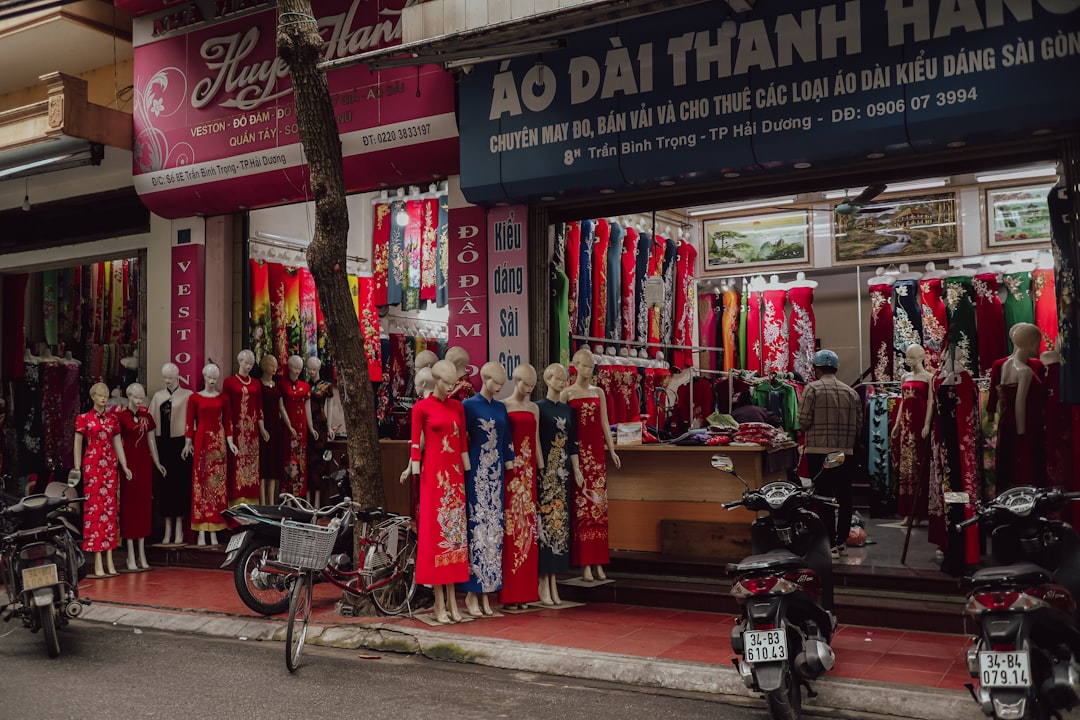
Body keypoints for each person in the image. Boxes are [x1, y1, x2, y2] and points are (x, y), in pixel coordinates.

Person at [410, 359, 470, 624]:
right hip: (433, 477)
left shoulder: (458, 407)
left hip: (455, 477)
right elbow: (415, 444)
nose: (450, 388)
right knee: (437, 537)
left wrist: (465, 468)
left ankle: (452, 600)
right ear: (436, 381)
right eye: (447, 383)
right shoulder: (421, 408)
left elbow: (463, 441)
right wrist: (413, 471)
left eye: (453, 383)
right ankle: (438, 602)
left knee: (455, 538)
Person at [561, 347, 621, 582]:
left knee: (599, 509)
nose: (588, 370)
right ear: (575, 365)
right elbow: (565, 427)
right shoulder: (567, 394)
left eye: (591, 366)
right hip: (578, 455)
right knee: (583, 509)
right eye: (585, 365)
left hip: (596, 455)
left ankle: (598, 562)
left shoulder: (598, 392)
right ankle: (585, 564)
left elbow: (605, 422)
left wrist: (612, 449)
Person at [797, 349, 862, 560]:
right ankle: (842, 541)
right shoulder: (851, 392)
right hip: (845, 452)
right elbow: (859, 426)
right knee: (845, 496)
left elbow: (803, 422)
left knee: (823, 496)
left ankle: (829, 544)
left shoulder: (812, 389)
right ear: (836, 368)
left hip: (819, 451)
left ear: (816, 369)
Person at [462, 361, 515, 617]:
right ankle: (473, 593)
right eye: (497, 382)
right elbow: (462, 438)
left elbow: (507, 439)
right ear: (485, 379)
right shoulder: (469, 406)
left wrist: (509, 460)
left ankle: (487, 593)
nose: (500, 387)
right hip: (476, 475)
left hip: (497, 477)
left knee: (494, 530)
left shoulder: (502, 407)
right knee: (478, 530)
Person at [73, 381, 132, 578]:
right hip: (92, 467)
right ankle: (97, 560)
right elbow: (78, 444)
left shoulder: (112, 420)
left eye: (105, 394)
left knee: (109, 511)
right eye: (99, 395)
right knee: (94, 511)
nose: (103, 397)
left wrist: (124, 465)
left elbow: (118, 444)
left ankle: (109, 558)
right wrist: (77, 468)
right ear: (92, 397)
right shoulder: (83, 419)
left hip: (109, 467)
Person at [536, 363, 583, 606]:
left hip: (562, 475)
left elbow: (572, 442)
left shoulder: (567, 411)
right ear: (548, 379)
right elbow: (535, 442)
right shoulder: (538, 409)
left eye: (565, 378)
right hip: (546, 475)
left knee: (559, 527)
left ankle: (554, 580)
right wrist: (541, 469)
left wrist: (576, 470)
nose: (562, 382)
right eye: (558, 378)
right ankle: (544, 580)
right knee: (546, 523)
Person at [500, 363, 542, 609]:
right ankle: (511, 594)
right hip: (511, 474)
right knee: (511, 530)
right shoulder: (504, 407)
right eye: (526, 384)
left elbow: (535, 441)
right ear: (516, 380)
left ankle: (525, 593)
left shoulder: (533, 408)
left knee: (529, 531)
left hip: (528, 475)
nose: (528, 389)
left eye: (533, 385)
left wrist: (541, 467)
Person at [182, 363, 238, 547]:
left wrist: (230, 442)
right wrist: (187, 442)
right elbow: (190, 421)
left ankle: (214, 529)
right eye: (209, 377)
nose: (212, 381)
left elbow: (229, 421)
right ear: (204, 376)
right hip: (201, 442)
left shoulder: (223, 398)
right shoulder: (194, 398)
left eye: (215, 377)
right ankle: (200, 530)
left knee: (217, 486)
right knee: (201, 484)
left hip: (219, 444)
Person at [115, 383, 162, 572]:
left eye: (141, 397)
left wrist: (157, 463)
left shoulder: (147, 417)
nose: (139, 400)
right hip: (129, 467)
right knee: (130, 509)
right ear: (128, 396)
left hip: (144, 466)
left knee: (143, 509)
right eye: (135, 397)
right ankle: (131, 555)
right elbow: (117, 442)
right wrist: (123, 465)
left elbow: (152, 442)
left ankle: (142, 553)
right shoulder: (120, 417)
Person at [148, 363, 192, 547]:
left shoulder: (188, 395)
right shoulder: (158, 397)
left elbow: (192, 421)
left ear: (178, 376)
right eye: (165, 377)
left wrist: (190, 443)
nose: (167, 380)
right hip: (163, 443)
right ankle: (167, 529)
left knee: (180, 487)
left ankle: (179, 528)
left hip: (181, 444)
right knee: (165, 487)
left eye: (171, 377)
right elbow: (151, 422)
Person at [223, 349, 263, 506]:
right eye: (246, 363)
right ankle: (235, 503)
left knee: (252, 464)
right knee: (237, 465)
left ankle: (252, 502)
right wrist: (229, 431)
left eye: (251, 364)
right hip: (237, 431)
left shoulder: (256, 383)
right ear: (239, 361)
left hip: (252, 431)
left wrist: (262, 427)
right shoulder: (229, 382)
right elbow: (227, 409)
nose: (248, 366)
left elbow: (259, 408)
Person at [280, 355, 315, 500]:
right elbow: (281, 407)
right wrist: (288, 425)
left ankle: (300, 496)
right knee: (288, 459)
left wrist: (311, 427)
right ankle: (287, 496)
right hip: (288, 427)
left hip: (301, 427)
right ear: (289, 367)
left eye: (300, 368)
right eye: (294, 367)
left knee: (301, 460)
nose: (297, 371)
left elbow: (308, 408)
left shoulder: (305, 386)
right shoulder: (282, 384)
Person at [258, 354, 284, 505]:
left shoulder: (277, 385)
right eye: (270, 365)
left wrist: (289, 425)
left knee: (273, 465)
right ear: (263, 366)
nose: (273, 369)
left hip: (275, 428)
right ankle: (262, 502)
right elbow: (258, 406)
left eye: (275, 366)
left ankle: (272, 501)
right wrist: (261, 427)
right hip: (263, 426)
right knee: (263, 464)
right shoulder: (258, 385)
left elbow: (282, 408)